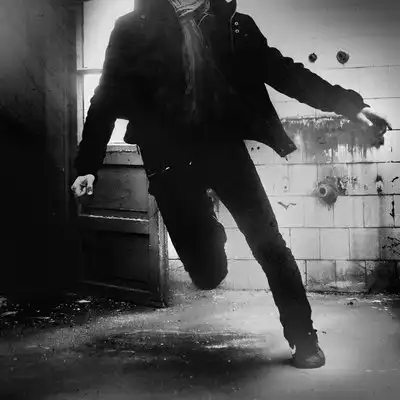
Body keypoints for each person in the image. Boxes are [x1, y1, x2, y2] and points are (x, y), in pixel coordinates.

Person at [71, 0, 392, 369]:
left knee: (269, 243)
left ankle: (304, 338)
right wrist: (88, 165)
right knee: (207, 274)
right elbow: (106, 96)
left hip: (222, 149)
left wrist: (351, 106)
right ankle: (211, 236)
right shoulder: (132, 28)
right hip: (168, 159)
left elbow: (286, 73)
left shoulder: (234, 25)